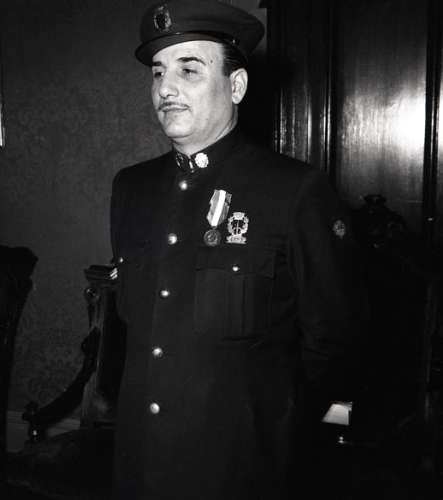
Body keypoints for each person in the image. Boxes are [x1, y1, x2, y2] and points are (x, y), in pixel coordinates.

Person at [109, 1, 367, 499]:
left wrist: (285, 442)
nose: (165, 88)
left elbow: (334, 345)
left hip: (240, 468)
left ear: (237, 86)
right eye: (158, 72)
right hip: (140, 461)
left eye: (189, 69)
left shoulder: (294, 190)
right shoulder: (131, 188)